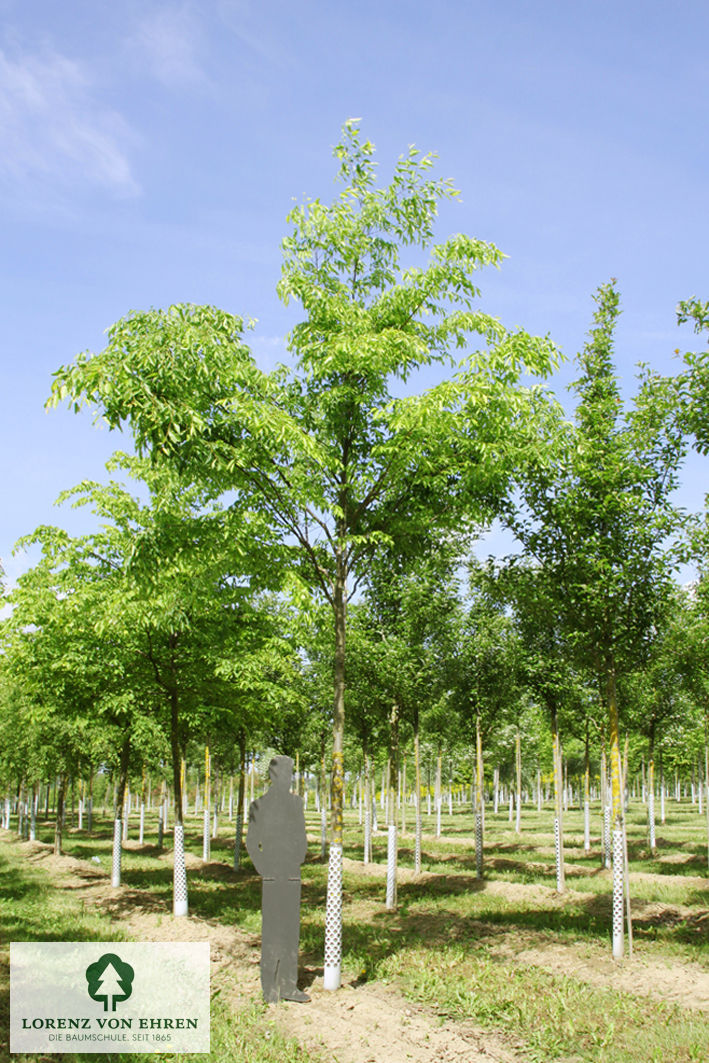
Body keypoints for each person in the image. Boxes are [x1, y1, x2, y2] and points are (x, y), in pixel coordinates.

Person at [246, 755, 310, 1003]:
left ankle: (288, 986)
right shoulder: (258, 806)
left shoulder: (296, 803)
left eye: (290, 773)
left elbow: (302, 836)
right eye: (284, 773)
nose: (288, 778)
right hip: (271, 873)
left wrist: (299, 858)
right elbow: (252, 843)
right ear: (273, 776)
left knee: (291, 929)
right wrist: (264, 868)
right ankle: (269, 988)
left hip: (292, 871)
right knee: (272, 929)